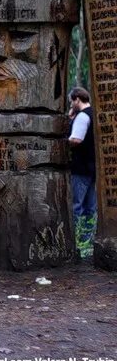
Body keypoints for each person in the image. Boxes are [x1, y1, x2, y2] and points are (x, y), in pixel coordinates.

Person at [68, 87, 97, 244]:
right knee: (90, 207)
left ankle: (75, 240)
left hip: (81, 168)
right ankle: (87, 241)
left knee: (76, 206)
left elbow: (76, 139)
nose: (71, 105)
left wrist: (63, 140)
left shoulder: (82, 116)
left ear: (77, 99)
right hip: (93, 168)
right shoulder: (94, 113)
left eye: (72, 102)